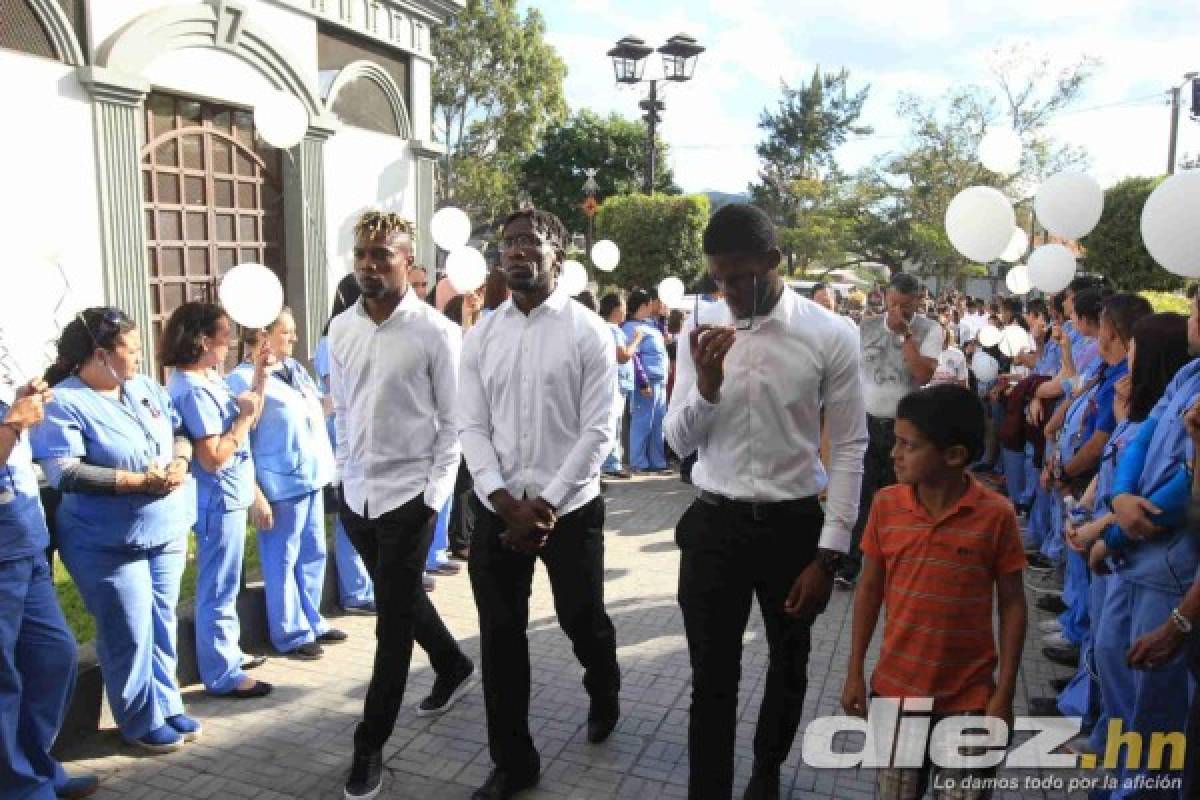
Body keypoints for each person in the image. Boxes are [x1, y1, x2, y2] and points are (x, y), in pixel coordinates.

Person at [665, 203, 867, 800]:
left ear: (774, 263)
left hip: (793, 531)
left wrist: (829, 555)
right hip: (715, 525)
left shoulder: (829, 334)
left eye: (740, 276)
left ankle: (766, 771)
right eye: (718, 278)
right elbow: (676, 443)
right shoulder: (697, 334)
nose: (727, 291)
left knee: (789, 664)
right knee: (711, 677)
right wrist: (705, 384)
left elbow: (852, 449)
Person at [459, 208, 620, 800]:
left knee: (582, 621)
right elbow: (470, 426)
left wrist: (545, 504)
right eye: (508, 243)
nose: (517, 250)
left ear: (558, 253)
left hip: (570, 512)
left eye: (531, 241)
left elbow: (599, 431)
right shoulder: (482, 336)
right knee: (501, 636)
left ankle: (604, 686)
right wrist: (504, 503)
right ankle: (514, 762)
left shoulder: (587, 332)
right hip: (499, 513)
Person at [330, 210, 474, 800]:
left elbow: (456, 422)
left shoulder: (437, 332)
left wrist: (432, 497)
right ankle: (453, 664)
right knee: (402, 595)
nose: (369, 264)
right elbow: (344, 411)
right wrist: (343, 477)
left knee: (391, 623)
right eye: (362, 254)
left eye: (382, 255)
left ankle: (370, 745)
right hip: (357, 495)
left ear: (407, 262)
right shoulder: (341, 329)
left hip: (409, 498)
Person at [842, 384, 1027, 800]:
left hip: (970, 701)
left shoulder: (995, 516)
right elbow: (869, 589)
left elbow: (1013, 605)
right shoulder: (886, 505)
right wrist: (855, 669)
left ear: (954, 456)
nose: (894, 454)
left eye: (908, 445)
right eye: (895, 442)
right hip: (895, 692)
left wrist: (1005, 691)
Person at [32, 307, 204, 754]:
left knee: (161, 622)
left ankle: (166, 703)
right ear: (100, 355)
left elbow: (179, 430)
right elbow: (65, 472)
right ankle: (138, 718)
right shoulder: (64, 402)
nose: (140, 359)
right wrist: (135, 482)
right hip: (106, 541)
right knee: (128, 628)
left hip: (163, 530)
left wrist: (180, 462)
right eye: (132, 350)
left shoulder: (143, 388)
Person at [162, 302, 272, 700]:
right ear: (204, 340)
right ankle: (221, 673)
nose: (228, 345)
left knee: (227, 582)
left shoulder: (207, 378)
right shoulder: (190, 388)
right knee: (218, 587)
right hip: (216, 498)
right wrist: (241, 420)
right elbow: (212, 457)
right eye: (224, 336)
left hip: (230, 495)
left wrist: (259, 374)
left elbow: (249, 413)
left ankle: (228, 653)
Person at [227, 309, 345, 660]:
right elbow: (243, 441)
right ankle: (289, 632)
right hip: (279, 483)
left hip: (310, 475)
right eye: (287, 332)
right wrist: (256, 494)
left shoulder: (293, 370)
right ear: (262, 336)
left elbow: (316, 411)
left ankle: (312, 619)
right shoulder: (241, 380)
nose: (294, 338)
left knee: (313, 551)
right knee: (281, 557)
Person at [2, 377, 99, 797]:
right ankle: (18, 784)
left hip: (25, 539)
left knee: (54, 656)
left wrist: (23, 401)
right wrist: (12, 426)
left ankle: (36, 764)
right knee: (4, 676)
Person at [840, 272, 941, 588]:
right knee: (862, 496)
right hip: (868, 423)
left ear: (917, 302)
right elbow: (851, 374)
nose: (899, 312)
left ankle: (901, 564)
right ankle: (851, 565)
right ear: (885, 297)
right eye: (894, 303)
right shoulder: (866, 327)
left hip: (907, 429)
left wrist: (905, 337)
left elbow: (923, 374)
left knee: (905, 497)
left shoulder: (929, 329)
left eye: (907, 306)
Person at [313, 286, 375, 614]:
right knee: (348, 512)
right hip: (342, 433)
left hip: (364, 432)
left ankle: (367, 583)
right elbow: (340, 390)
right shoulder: (332, 340)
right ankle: (356, 590)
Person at [623, 289, 670, 473]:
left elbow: (665, 339)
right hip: (646, 382)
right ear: (643, 305)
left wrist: (664, 318)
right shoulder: (630, 328)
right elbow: (634, 356)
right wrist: (642, 382)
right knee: (642, 422)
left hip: (659, 380)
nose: (653, 306)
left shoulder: (650, 325)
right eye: (651, 303)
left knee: (658, 422)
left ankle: (657, 462)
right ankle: (638, 462)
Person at [599, 293, 642, 480]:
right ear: (616, 309)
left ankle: (611, 462)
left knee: (615, 423)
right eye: (623, 307)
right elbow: (623, 355)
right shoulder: (613, 330)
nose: (626, 311)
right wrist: (637, 340)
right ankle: (611, 463)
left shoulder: (609, 328)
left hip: (617, 382)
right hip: (616, 382)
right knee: (614, 423)